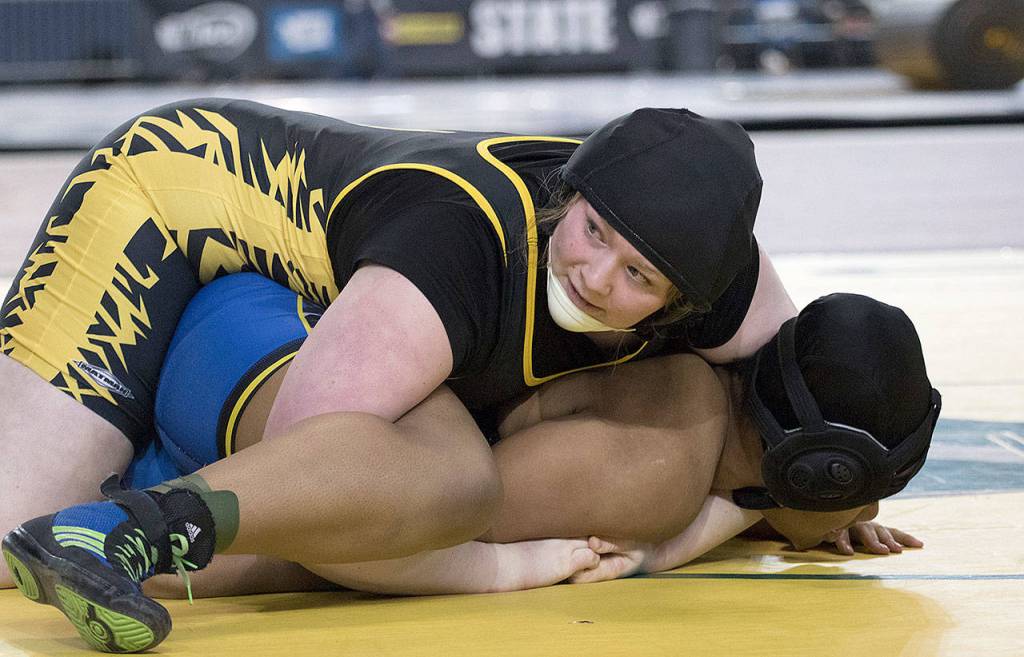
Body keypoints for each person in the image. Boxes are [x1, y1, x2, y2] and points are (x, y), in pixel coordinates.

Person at [0, 100, 792, 650]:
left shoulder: (722, 279)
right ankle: (127, 519)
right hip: (158, 196)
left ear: (685, 302)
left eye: (638, 278)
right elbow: (311, 486)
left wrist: (809, 490)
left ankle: (126, 504)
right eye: (592, 233)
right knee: (13, 531)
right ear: (575, 192)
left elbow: (812, 390)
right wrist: (503, 567)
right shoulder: (457, 251)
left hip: (299, 290)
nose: (595, 277)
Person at [5, 275, 937, 653]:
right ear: (816, 469)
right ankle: (128, 528)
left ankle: (128, 516)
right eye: (874, 480)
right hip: (267, 359)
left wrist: (770, 506)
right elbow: (363, 548)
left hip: (247, 350)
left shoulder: (697, 393)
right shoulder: (657, 473)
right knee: (441, 490)